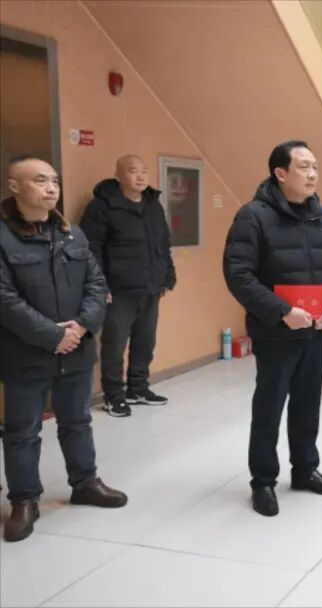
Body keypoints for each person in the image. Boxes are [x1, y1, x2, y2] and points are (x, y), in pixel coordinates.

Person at [0, 155, 128, 543]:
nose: (51, 188)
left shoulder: (72, 234)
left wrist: (83, 325)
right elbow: (4, 299)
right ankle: (24, 500)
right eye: (40, 180)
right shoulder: (3, 237)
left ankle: (85, 483)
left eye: (54, 180)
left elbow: (96, 283)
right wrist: (51, 335)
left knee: (77, 421)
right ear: (14, 187)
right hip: (25, 354)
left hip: (76, 350)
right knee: (22, 431)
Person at [223, 141, 322, 517]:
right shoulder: (253, 216)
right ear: (280, 173)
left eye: (315, 167)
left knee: (308, 405)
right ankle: (263, 480)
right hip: (275, 333)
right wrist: (281, 312)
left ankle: (305, 470)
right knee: (270, 407)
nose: (312, 174)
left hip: (315, 331)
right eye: (303, 167)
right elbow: (239, 275)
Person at [81, 154, 177, 417]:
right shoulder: (101, 207)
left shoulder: (153, 205)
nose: (141, 176)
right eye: (133, 171)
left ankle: (138, 388)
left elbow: (163, 244)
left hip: (150, 287)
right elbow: (91, 249)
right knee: (114, 346)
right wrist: (100, 286)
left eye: (144, 170)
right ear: (119, 175)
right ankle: (113, 395)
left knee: (145, 342)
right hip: (118, 290)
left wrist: (167, 276)